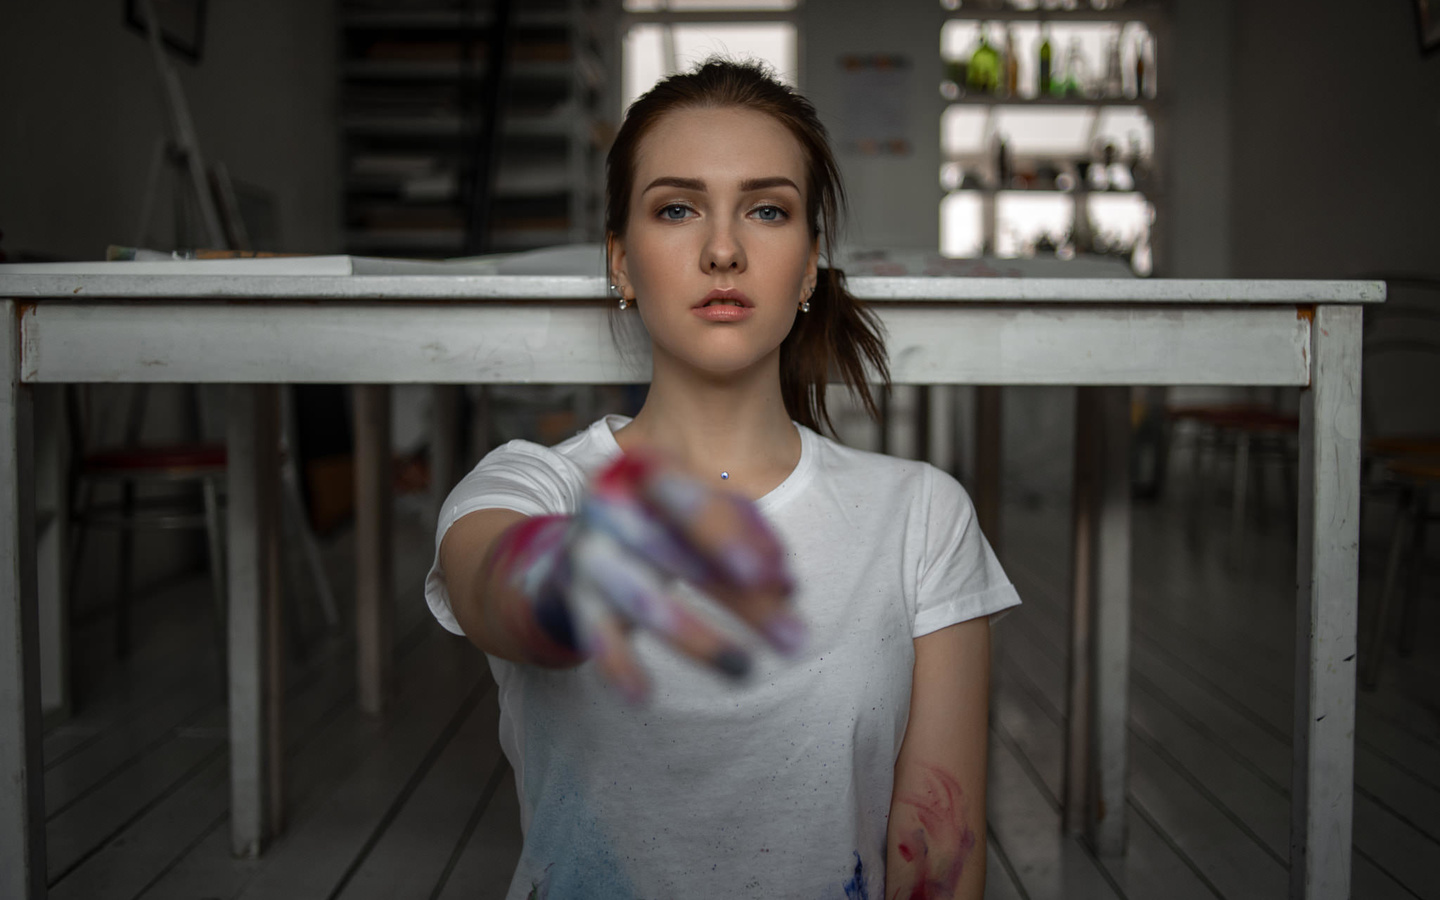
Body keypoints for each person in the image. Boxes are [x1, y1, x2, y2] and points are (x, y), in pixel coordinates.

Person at [426, 58, 1020, 900]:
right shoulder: (534, 485)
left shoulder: (922, 515)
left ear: (811, 265)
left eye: (767, 211)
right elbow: (497, 588)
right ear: (622, 263)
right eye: (676, 209)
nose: (722, 250)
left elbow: (938, 860)